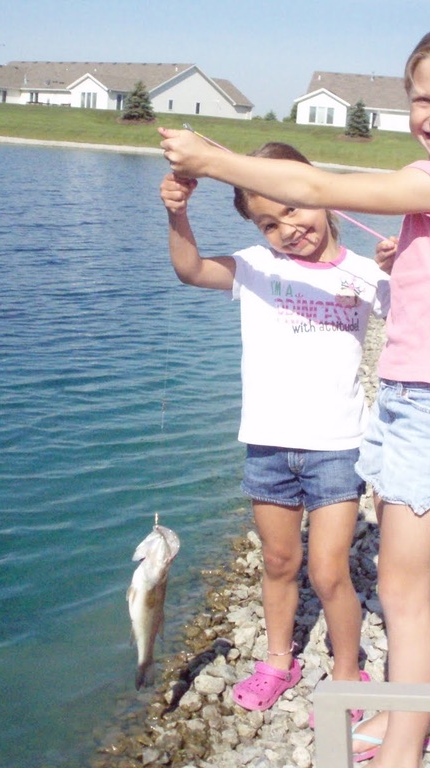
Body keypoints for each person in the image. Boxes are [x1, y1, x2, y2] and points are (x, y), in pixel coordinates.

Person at [160, 21, 430, 767]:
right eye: (423, 97)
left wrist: (212, 156)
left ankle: (401, 748)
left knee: (402, 590)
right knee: (404, 585)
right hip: (406, 398)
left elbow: (321, 185)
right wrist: (416, 259)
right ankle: (396, 722)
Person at [159, 142, 392, 719]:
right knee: (279, 563)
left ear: (318, 192)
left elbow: (425, 322)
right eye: (269, 221)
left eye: (293, 208)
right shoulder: (257, 268)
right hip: (267, 446)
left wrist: (409, 268)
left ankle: (346, 673)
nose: (288, 228)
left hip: (337, 447)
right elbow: (189, 269)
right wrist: (177, 213)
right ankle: (278, 662)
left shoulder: (366, 275)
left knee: (329, 569)